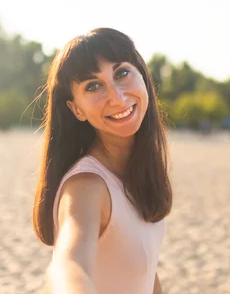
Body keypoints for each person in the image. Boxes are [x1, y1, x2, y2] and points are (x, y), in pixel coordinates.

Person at [32, 28, 173, 294]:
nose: (117, 98)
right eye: (93, 86)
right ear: (76, 109)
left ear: (142, 75)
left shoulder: (136, 171)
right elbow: (69, 264)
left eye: (121, 73)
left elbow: (144, 272)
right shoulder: (87, 187)